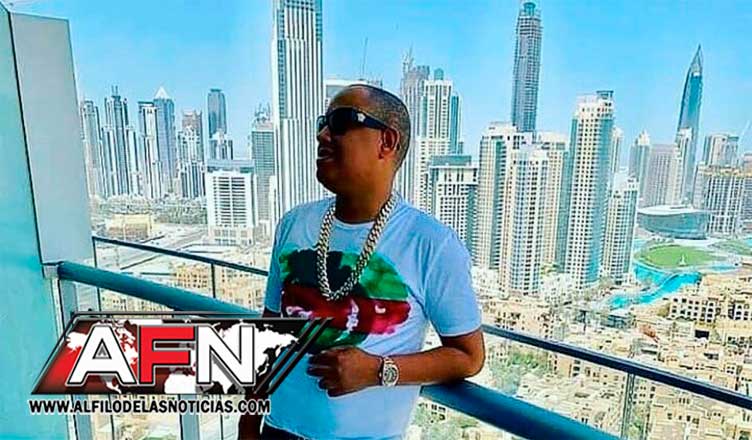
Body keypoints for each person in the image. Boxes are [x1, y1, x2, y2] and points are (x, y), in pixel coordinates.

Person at [239, 84, 485, 439]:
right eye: (323, 123)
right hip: (277, 432)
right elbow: (268, 334)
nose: (322, 134)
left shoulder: (431, 244)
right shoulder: (294, 224)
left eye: (340, 122)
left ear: (387, 141)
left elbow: (468, 356)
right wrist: (248, 425)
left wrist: (378, 370)